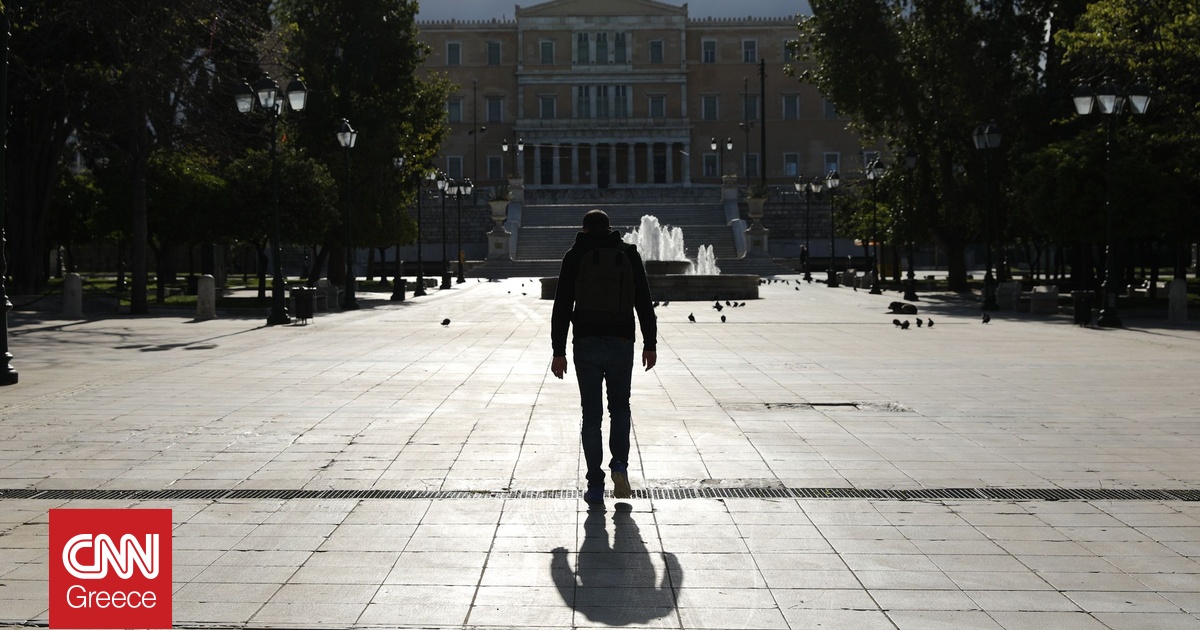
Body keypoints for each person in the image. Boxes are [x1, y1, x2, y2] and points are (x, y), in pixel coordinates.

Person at [551, 209, 657, 504]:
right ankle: (620, 464)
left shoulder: (574, 255)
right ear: (610, 228)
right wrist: (651, 342)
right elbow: (643, 301)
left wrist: (558, 351)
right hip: (622, 340)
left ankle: (595, 482)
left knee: (592, 414)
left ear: (584, 230)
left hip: (585, 342)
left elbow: (561, 306)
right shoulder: (628, 253)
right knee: (620, 409)